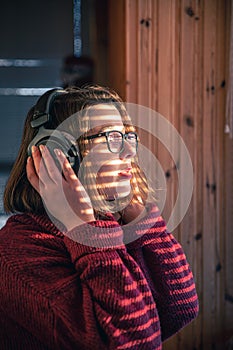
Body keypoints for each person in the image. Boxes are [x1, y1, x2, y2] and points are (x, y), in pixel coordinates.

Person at [0, 85, 198, 349]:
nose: (130, 152)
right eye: (112, 138)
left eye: (129, 137)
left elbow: (180, 308)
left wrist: (144, 226)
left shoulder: (108, 226)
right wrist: (85, 229)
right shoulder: (19, 250)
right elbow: (134, 341)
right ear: (62, 155)